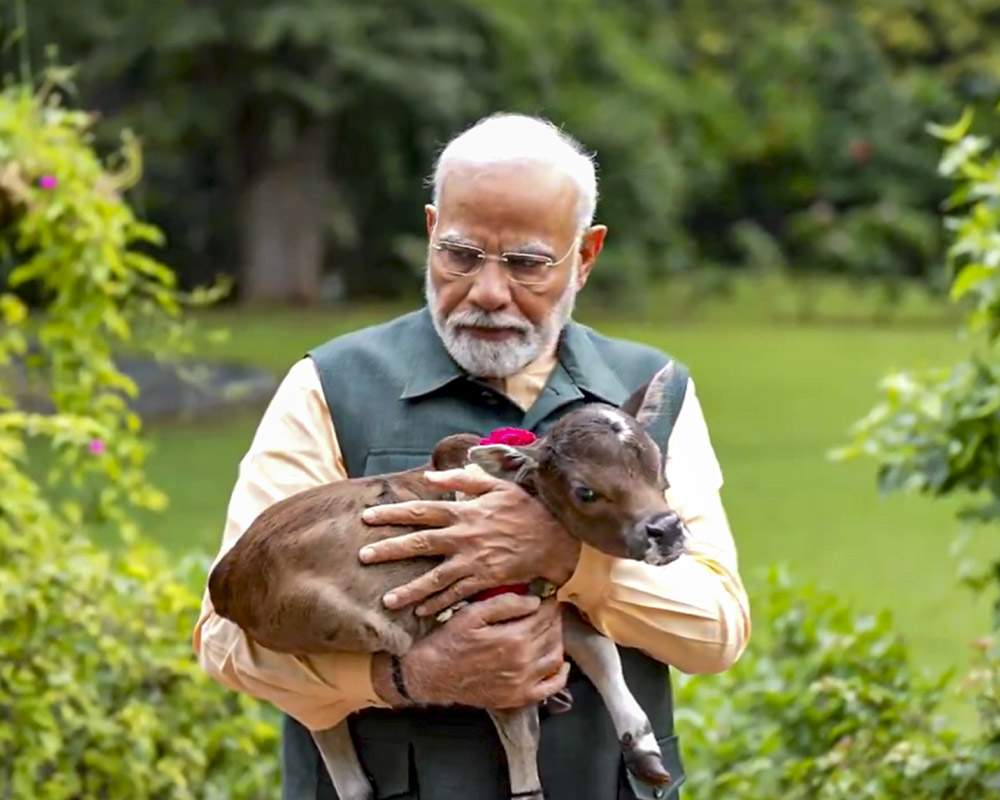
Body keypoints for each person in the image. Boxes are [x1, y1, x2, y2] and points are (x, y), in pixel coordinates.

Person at [193, 113, 750, 800]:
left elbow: (717, 634)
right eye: (460, 255)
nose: (487, 292)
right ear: (431, 232)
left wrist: (567, 561)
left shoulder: (653, 397)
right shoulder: (331, 386)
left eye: (525, 263)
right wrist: (405, 679)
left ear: (585, 256)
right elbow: (225, 638)